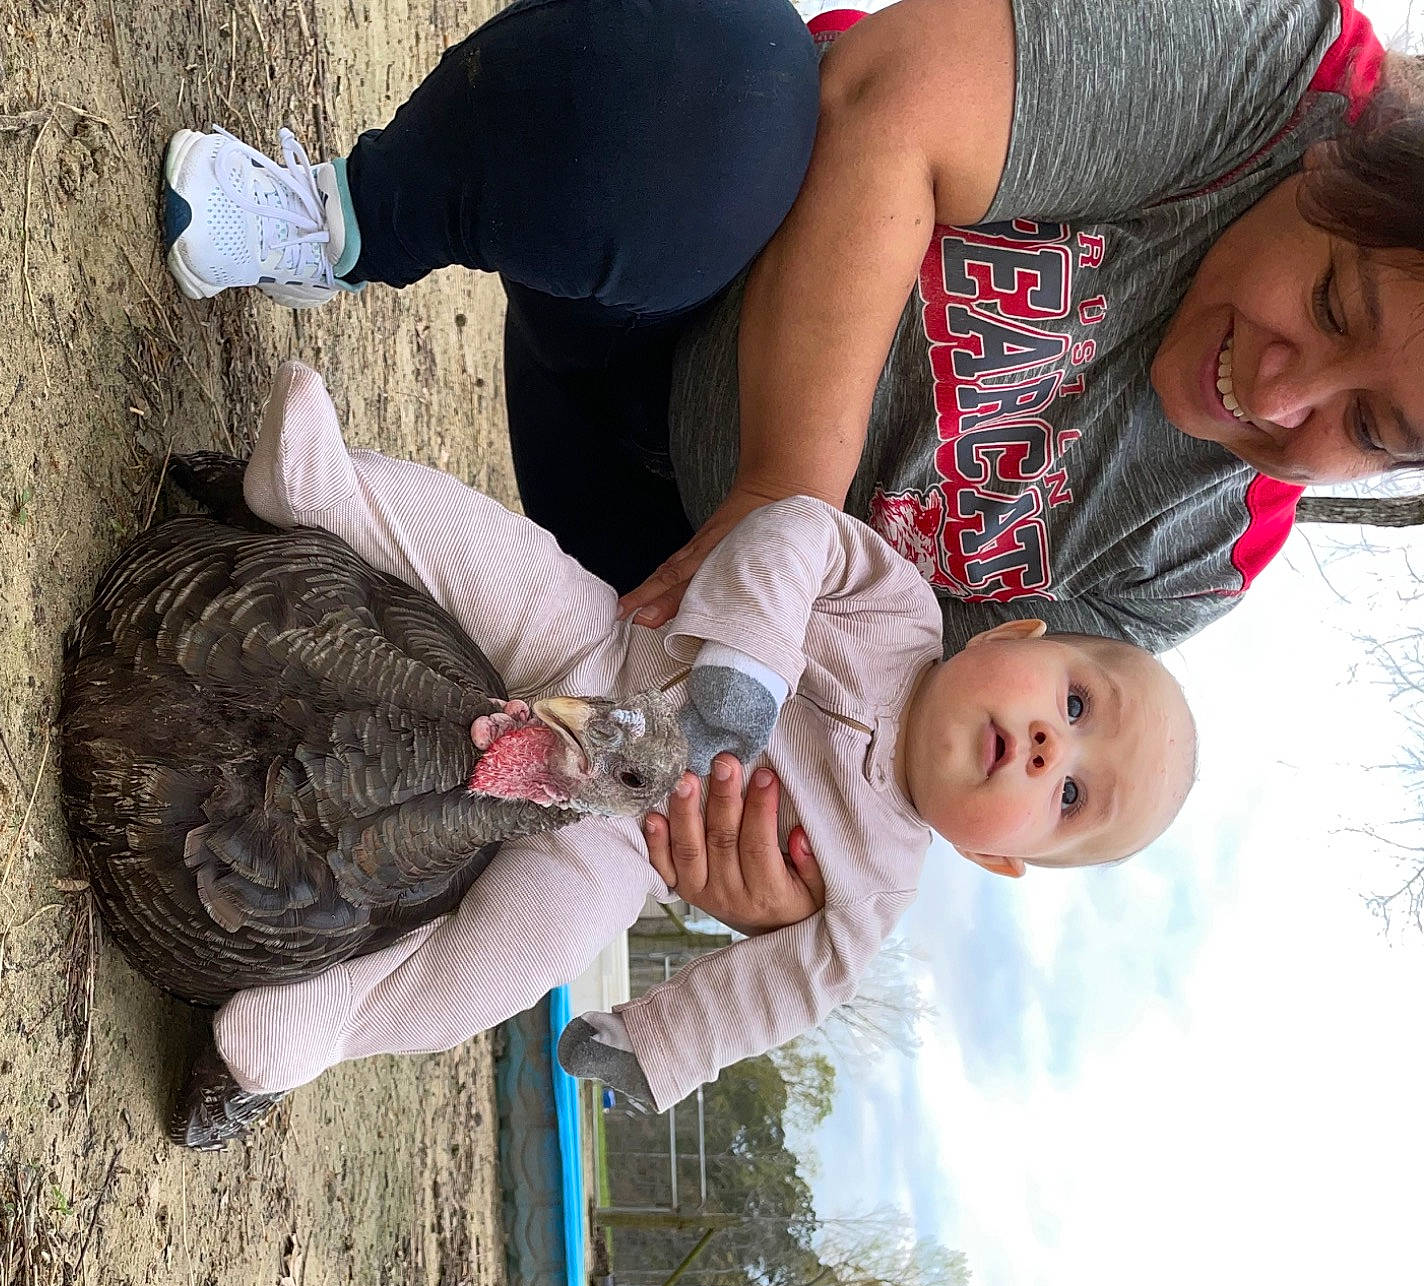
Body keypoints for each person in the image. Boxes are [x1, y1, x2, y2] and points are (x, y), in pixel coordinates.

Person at [159, 0, 1416, 937]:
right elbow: (890, 101)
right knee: (722, 77)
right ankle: (353, 215)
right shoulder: (1272, 70)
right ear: (1344, 173)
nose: (1285, 393)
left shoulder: (1192, 561)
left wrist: (778, 874)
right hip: (672, 279)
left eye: (1365, 429)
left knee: (495, 831)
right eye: (1330, 299)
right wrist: (785, 500)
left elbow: (920, 723)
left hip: (651, 591)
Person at [172, 363, 1197, 1147]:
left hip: (617, 841)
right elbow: (797, 530)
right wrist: (745, 664)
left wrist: (659, 1042)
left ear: (996, 859)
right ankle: (324, 490)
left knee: (515, 959)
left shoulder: (876, 891)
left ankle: (319, 1026)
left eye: (1067, 792)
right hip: (604, 651)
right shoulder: (895, 607)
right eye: (1070, 703)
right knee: (496, 558)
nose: (1041, 745)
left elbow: (785, 989)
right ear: (1012, 638)